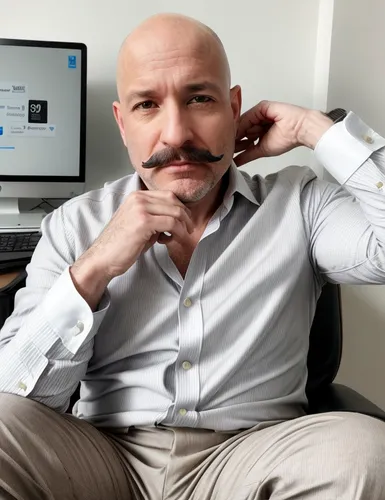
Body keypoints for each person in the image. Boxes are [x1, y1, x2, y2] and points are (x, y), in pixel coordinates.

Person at [0, 12, 385, 500]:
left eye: (200, 99)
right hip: (103, 455)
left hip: (253, 456)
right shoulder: (74, 224)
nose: (176, 133)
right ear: (123, 123)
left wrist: (319, 131)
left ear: (234, 106)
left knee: (366, 453)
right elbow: (16, 396)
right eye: (147, 105)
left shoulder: (300, 205)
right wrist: (93, 269)